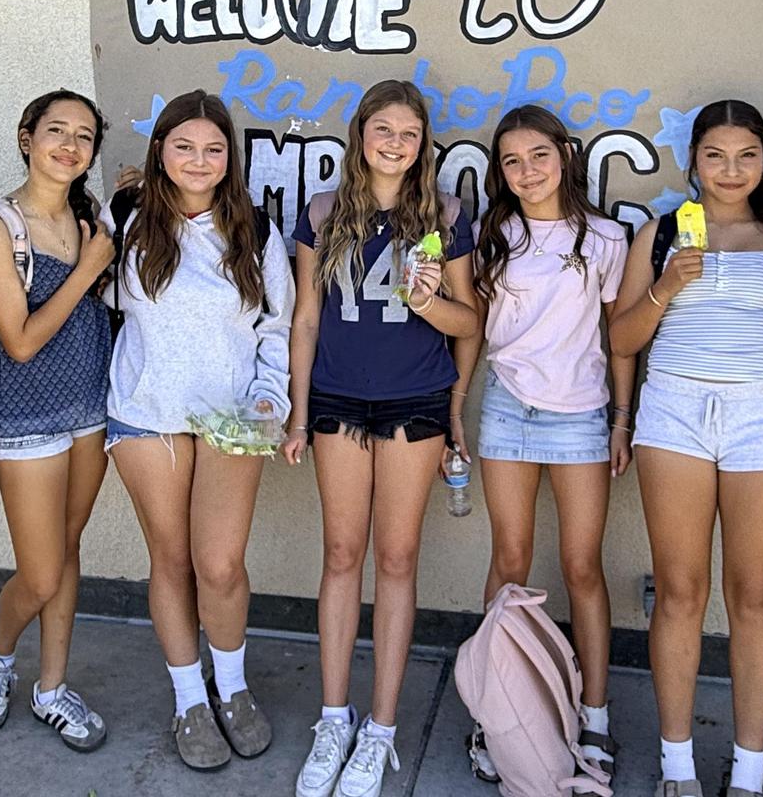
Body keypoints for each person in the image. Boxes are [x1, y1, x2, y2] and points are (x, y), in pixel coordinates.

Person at [284, 79, 480, 797]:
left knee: (397, 559)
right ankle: (333, 718)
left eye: (409, 133)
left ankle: (382, 729)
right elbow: (306, 318)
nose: (395, 143)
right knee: (342, 553)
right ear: (360, 133)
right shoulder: (323, 212)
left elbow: (471, 326)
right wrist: (298, 411)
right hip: (337, 399)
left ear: (423, 143)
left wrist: (432, 306)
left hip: (414, 402)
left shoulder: (446, 214)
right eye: (383, 129)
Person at [608, 99, 763, 797]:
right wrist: (665, 287)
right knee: (681, 592)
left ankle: (748, 772)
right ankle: (677, 767)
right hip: (676, 414)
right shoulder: (661, 233)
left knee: (755, 598)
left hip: (762, 417)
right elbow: (621, 339)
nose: (731, 170)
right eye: (715, 156)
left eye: (746, 155)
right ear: (692, 162)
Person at [103, 89, 293, 772]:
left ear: (229, 158)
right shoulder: (124, 217)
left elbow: (277, 326)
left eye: (214, 149)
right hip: (146, 412)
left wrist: (273, 398)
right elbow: (100, 301)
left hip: (234, 418)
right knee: (172, 560)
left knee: (220, 565)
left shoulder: (255, 230)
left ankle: (233, 689)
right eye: (183, 146)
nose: (199, 160)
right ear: (159, 150)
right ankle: (190, 697)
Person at [454, 104, 634, 781]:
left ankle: (595, 715)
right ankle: (494, 711)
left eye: (538, 156)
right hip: (507, 409)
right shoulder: (491, 234)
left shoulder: (607, 239)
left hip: (582, 414)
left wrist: (622, 418)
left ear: (565, 155)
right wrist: (455, 403)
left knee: (582, 567)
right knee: (511, 560)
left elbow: (618, 342)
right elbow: (471, 327)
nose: (526, 171)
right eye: (511, 161)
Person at [0, 91, 117, 752]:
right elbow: (20, 340)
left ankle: (52, 688)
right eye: (57, 130)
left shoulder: (94, 218)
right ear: (27, 137)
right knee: (42, 571)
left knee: (69, 549)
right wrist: (87, 270)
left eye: (84, 136)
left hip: (93, 405)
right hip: (26, 412)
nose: (71, 145)